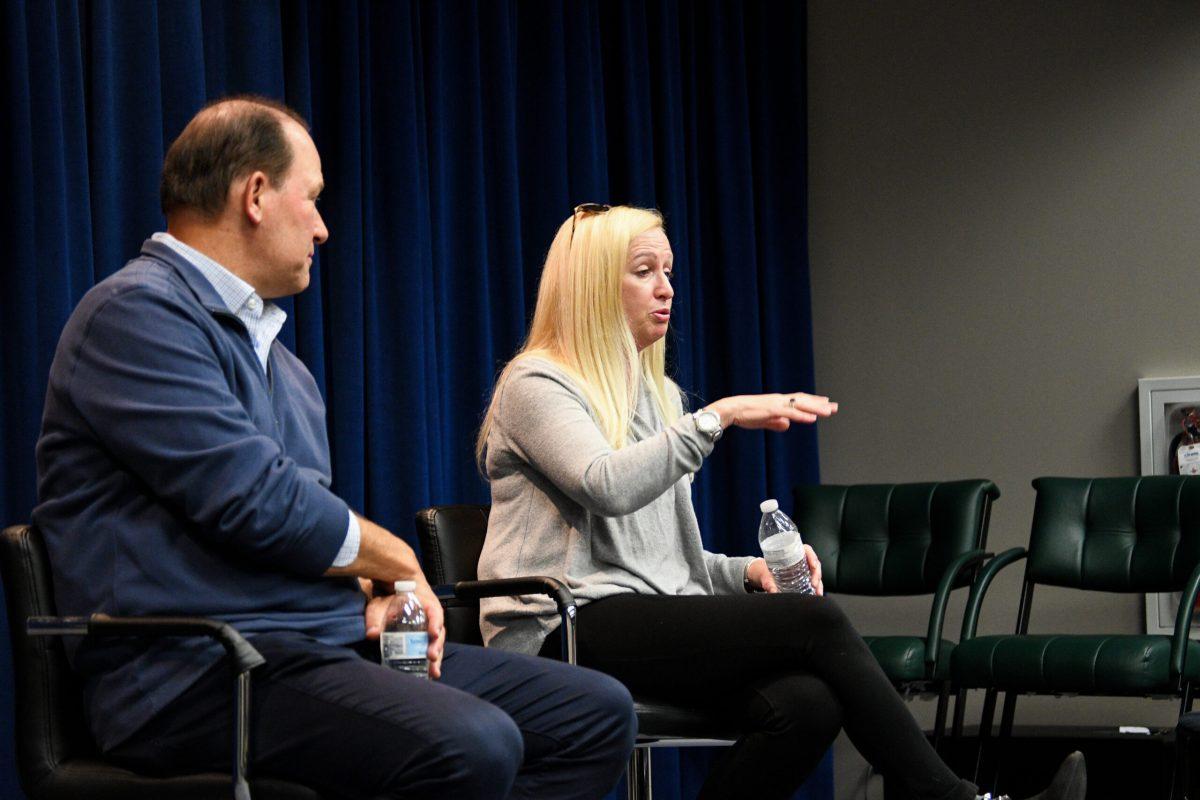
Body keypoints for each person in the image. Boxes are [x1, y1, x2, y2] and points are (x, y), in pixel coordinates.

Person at [32, 97, 636, 800]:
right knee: (472, 742)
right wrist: (400, 564)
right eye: (312, 199)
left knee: (593, 715)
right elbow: (254, 503)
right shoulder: (136, 315)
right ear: (255, 194)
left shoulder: (284, 365)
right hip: (192, 671)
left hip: (313, 648)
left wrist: (366, 596)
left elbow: (297, 525)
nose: (322, 228)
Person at [474, 204, 1087, 800]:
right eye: (644, 272)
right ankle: (951, 797)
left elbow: (661, 555)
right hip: (562, 626)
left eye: (669, 272)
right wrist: (720, 416)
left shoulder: (652, 394)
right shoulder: (537, 383)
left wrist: (747, 572)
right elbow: (605, 486)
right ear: (591, 288)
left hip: (634, 617)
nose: (666, 289)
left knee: (807, 704)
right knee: (813, 621)